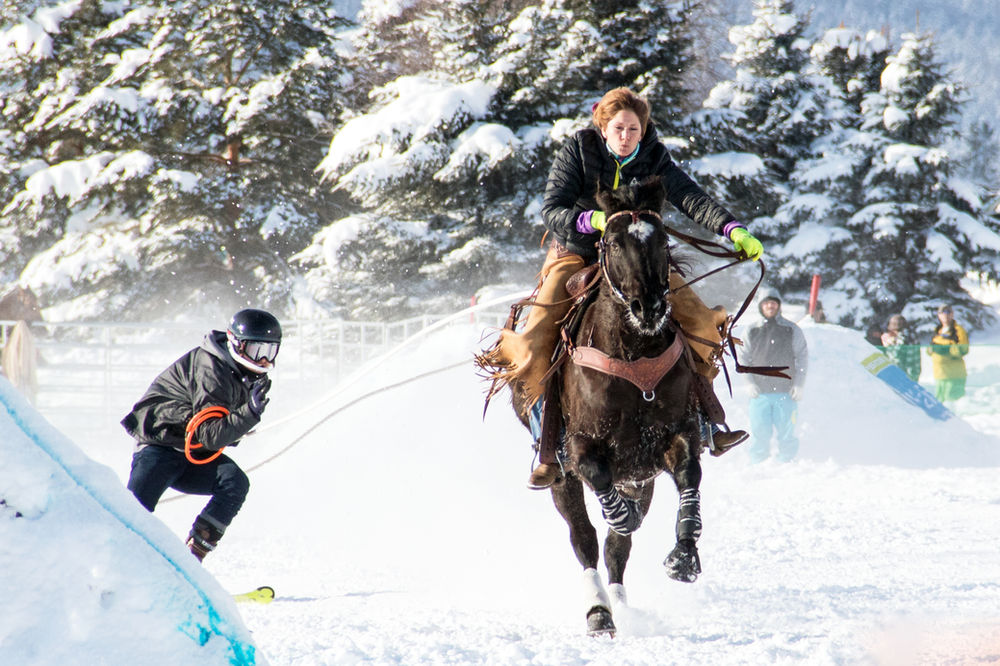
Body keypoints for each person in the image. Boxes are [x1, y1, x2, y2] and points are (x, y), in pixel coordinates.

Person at [478, 87, 764, 489]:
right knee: (533, 342)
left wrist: (732, 229)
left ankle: (707, 421)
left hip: (637, 259)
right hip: (575, 254)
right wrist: (591, 222)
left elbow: (689, 197)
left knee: (701, 322)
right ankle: (546, 446)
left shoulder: (654, 156)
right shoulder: (577, 150)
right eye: (619, 128)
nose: (627, 135)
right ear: (603, 127)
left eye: (634, 128)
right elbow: (552, 209)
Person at [122, 308, 281, 561]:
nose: (263, 360)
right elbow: (209, 434)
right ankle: (113, 568)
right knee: (131, 512)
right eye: (256, 351)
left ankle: (192, 559)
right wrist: (249, 412)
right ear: (237, 345)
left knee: (234, 482)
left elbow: (217, 432)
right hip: (160, 445)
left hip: (191, 454)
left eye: (270, 351)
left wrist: (244, 415)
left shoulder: (241, 373)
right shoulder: (213, 368)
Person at [741, 293, 808, 463]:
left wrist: (799, 384)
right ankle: (757, 462)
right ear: (760, 306)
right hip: (759, 393)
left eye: (773, 303)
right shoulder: (751, 330)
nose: (770, 306)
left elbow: (802, 357)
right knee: (759, 431)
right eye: (766, 303)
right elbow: (743, 358)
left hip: (785, 392)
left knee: (787, 431)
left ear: (778, 305)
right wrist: (748, 382)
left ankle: (786, 461)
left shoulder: (791, 329)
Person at [927, 304, 969, 404]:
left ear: (952, 314)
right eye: (942, 313)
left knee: (952, 403)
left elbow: (963, 349)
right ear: (938, 315)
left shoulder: (958, 330)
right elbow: (930, 349)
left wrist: (947, 350)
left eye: (948, 312)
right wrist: (932, 350)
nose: (945, 315)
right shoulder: (938, 330)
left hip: (954, 375)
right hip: (940, 375)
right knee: (940, 404)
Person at [880, 314, 921, 382]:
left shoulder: (902, 338)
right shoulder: (911, 335)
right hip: (913, 373)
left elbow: (896, 355)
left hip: (904, 375)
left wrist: (889, 343)